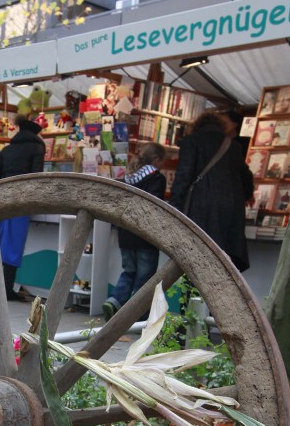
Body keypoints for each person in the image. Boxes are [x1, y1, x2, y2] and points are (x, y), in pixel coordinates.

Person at [170, 110, 254, 272]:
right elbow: (247, 177)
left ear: (197, 126)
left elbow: (182, 178)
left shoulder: (191, 142)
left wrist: (174, 208)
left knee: (194, 260)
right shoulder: (233, 146)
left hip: (199, 209)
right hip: (230, 211)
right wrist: (247, 195)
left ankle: (193, 288)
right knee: (223, 263)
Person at [0, 114, 45, 301]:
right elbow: (36, 178)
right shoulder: (37, 148)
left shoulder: (7, 150)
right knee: (14, 247)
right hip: (21, 203)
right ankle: (6, 288)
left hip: (2, 202)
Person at [102, 142, 167, 322]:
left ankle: (114, 300)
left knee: (128, 272)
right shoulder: (157, 178)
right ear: (156, 160)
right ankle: (139, 315)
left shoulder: (127, 177)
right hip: (145, 236)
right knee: (145, 279)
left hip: (126, 234)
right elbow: (155, 206)